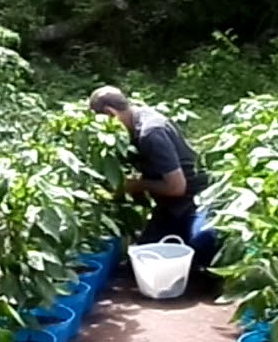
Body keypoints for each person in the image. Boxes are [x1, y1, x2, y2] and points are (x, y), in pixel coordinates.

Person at [89, 86, 214, 256]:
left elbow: (176, 187)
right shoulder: (134, 120)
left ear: (110, 113)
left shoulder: (151, 133)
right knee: (143, 254)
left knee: (203, 240)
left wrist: (136, 185)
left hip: (197, 200)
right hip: (170, 205)